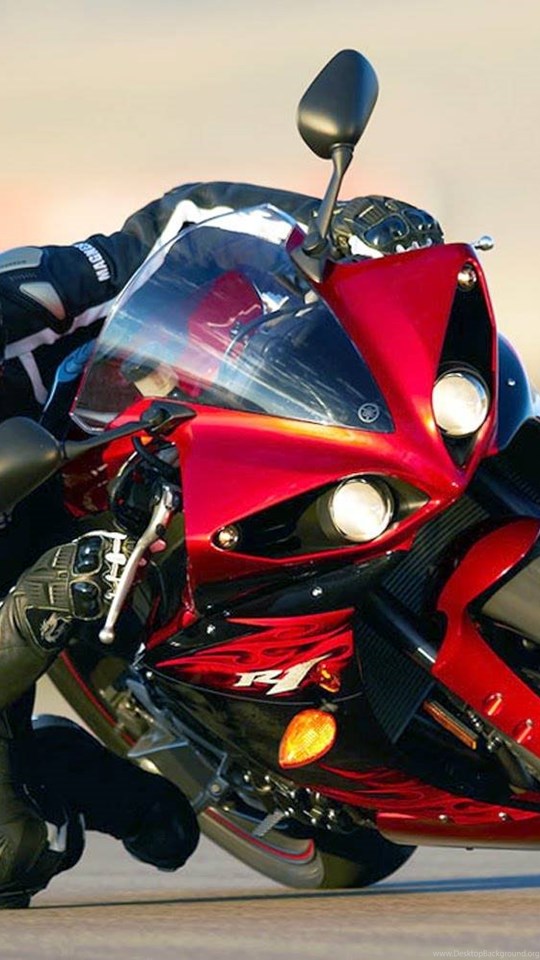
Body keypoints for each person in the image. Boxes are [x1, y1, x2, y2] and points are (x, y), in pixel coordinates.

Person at [0, 182, 444, 907]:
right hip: (14, 584)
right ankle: (70, 770)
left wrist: (333, 221)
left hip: (118, 467)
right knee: (10, 856)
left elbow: (176, 226)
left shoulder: (24, 299)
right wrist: (30, 611)